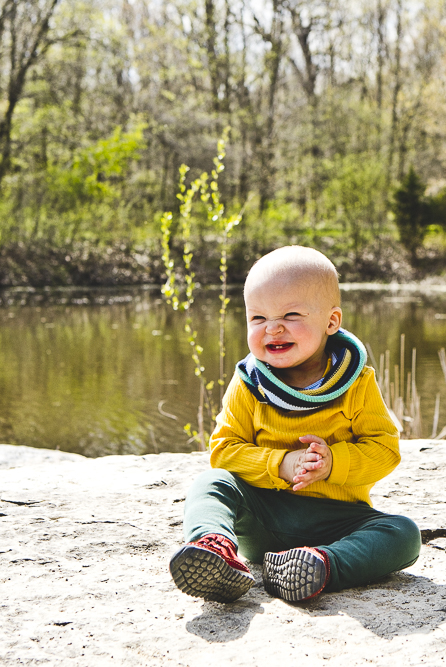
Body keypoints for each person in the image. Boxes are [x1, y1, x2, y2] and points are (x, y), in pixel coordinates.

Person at [168, 246, 421, 604]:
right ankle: (214, 547)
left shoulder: (356, 383)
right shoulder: (249, 384)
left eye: (290, 314)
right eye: (258, 319)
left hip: (338, 522)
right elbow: (223, 451)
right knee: (212, 483)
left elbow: (385, 450)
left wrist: (334, 462)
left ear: (331, 322)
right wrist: (281, 465)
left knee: (403, 533)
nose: (273, 328)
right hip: (264, 516)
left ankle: (320, 565)